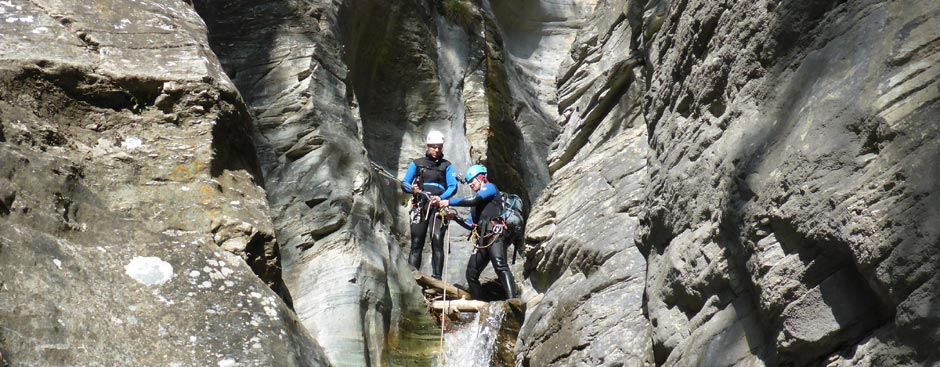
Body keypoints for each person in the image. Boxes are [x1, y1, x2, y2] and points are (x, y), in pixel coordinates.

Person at [432, 164, 517, 300]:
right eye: (469, 182)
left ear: (482, 178)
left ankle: (513, 300)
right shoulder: (475, 205)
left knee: (500, 265)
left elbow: (474, 199)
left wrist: (448, 202)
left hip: (496, 233)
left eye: (473, 181)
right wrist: (455, 218)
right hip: (482, 238)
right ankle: (479, 304)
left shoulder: (489, 188)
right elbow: (472, 225)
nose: (471, 184)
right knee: (471, 273)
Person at [401, 130, 457, 280]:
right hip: (421, 204)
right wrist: (412, 189)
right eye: (433, 147)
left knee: (437, 240)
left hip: (438, 207)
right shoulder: (417, 164)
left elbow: (453, 186)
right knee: (417, 241)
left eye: (439, 147)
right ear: (428, 146)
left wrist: (440, 198)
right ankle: (411, 276)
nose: (437, 150)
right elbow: (405, 183)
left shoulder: (447, 166)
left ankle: (437, 277)